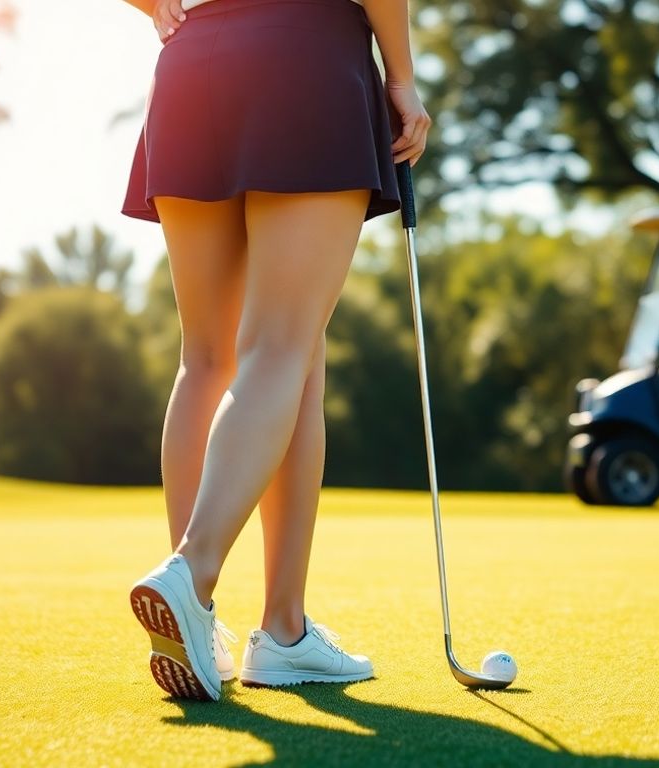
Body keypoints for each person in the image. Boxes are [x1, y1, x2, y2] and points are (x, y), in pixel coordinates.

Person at [118, 0, 430, 700]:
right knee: (282, 347)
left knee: (215, 359)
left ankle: (278, 632)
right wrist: (402, 78)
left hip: (192, 63)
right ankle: (192, 576)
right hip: (306, 58)